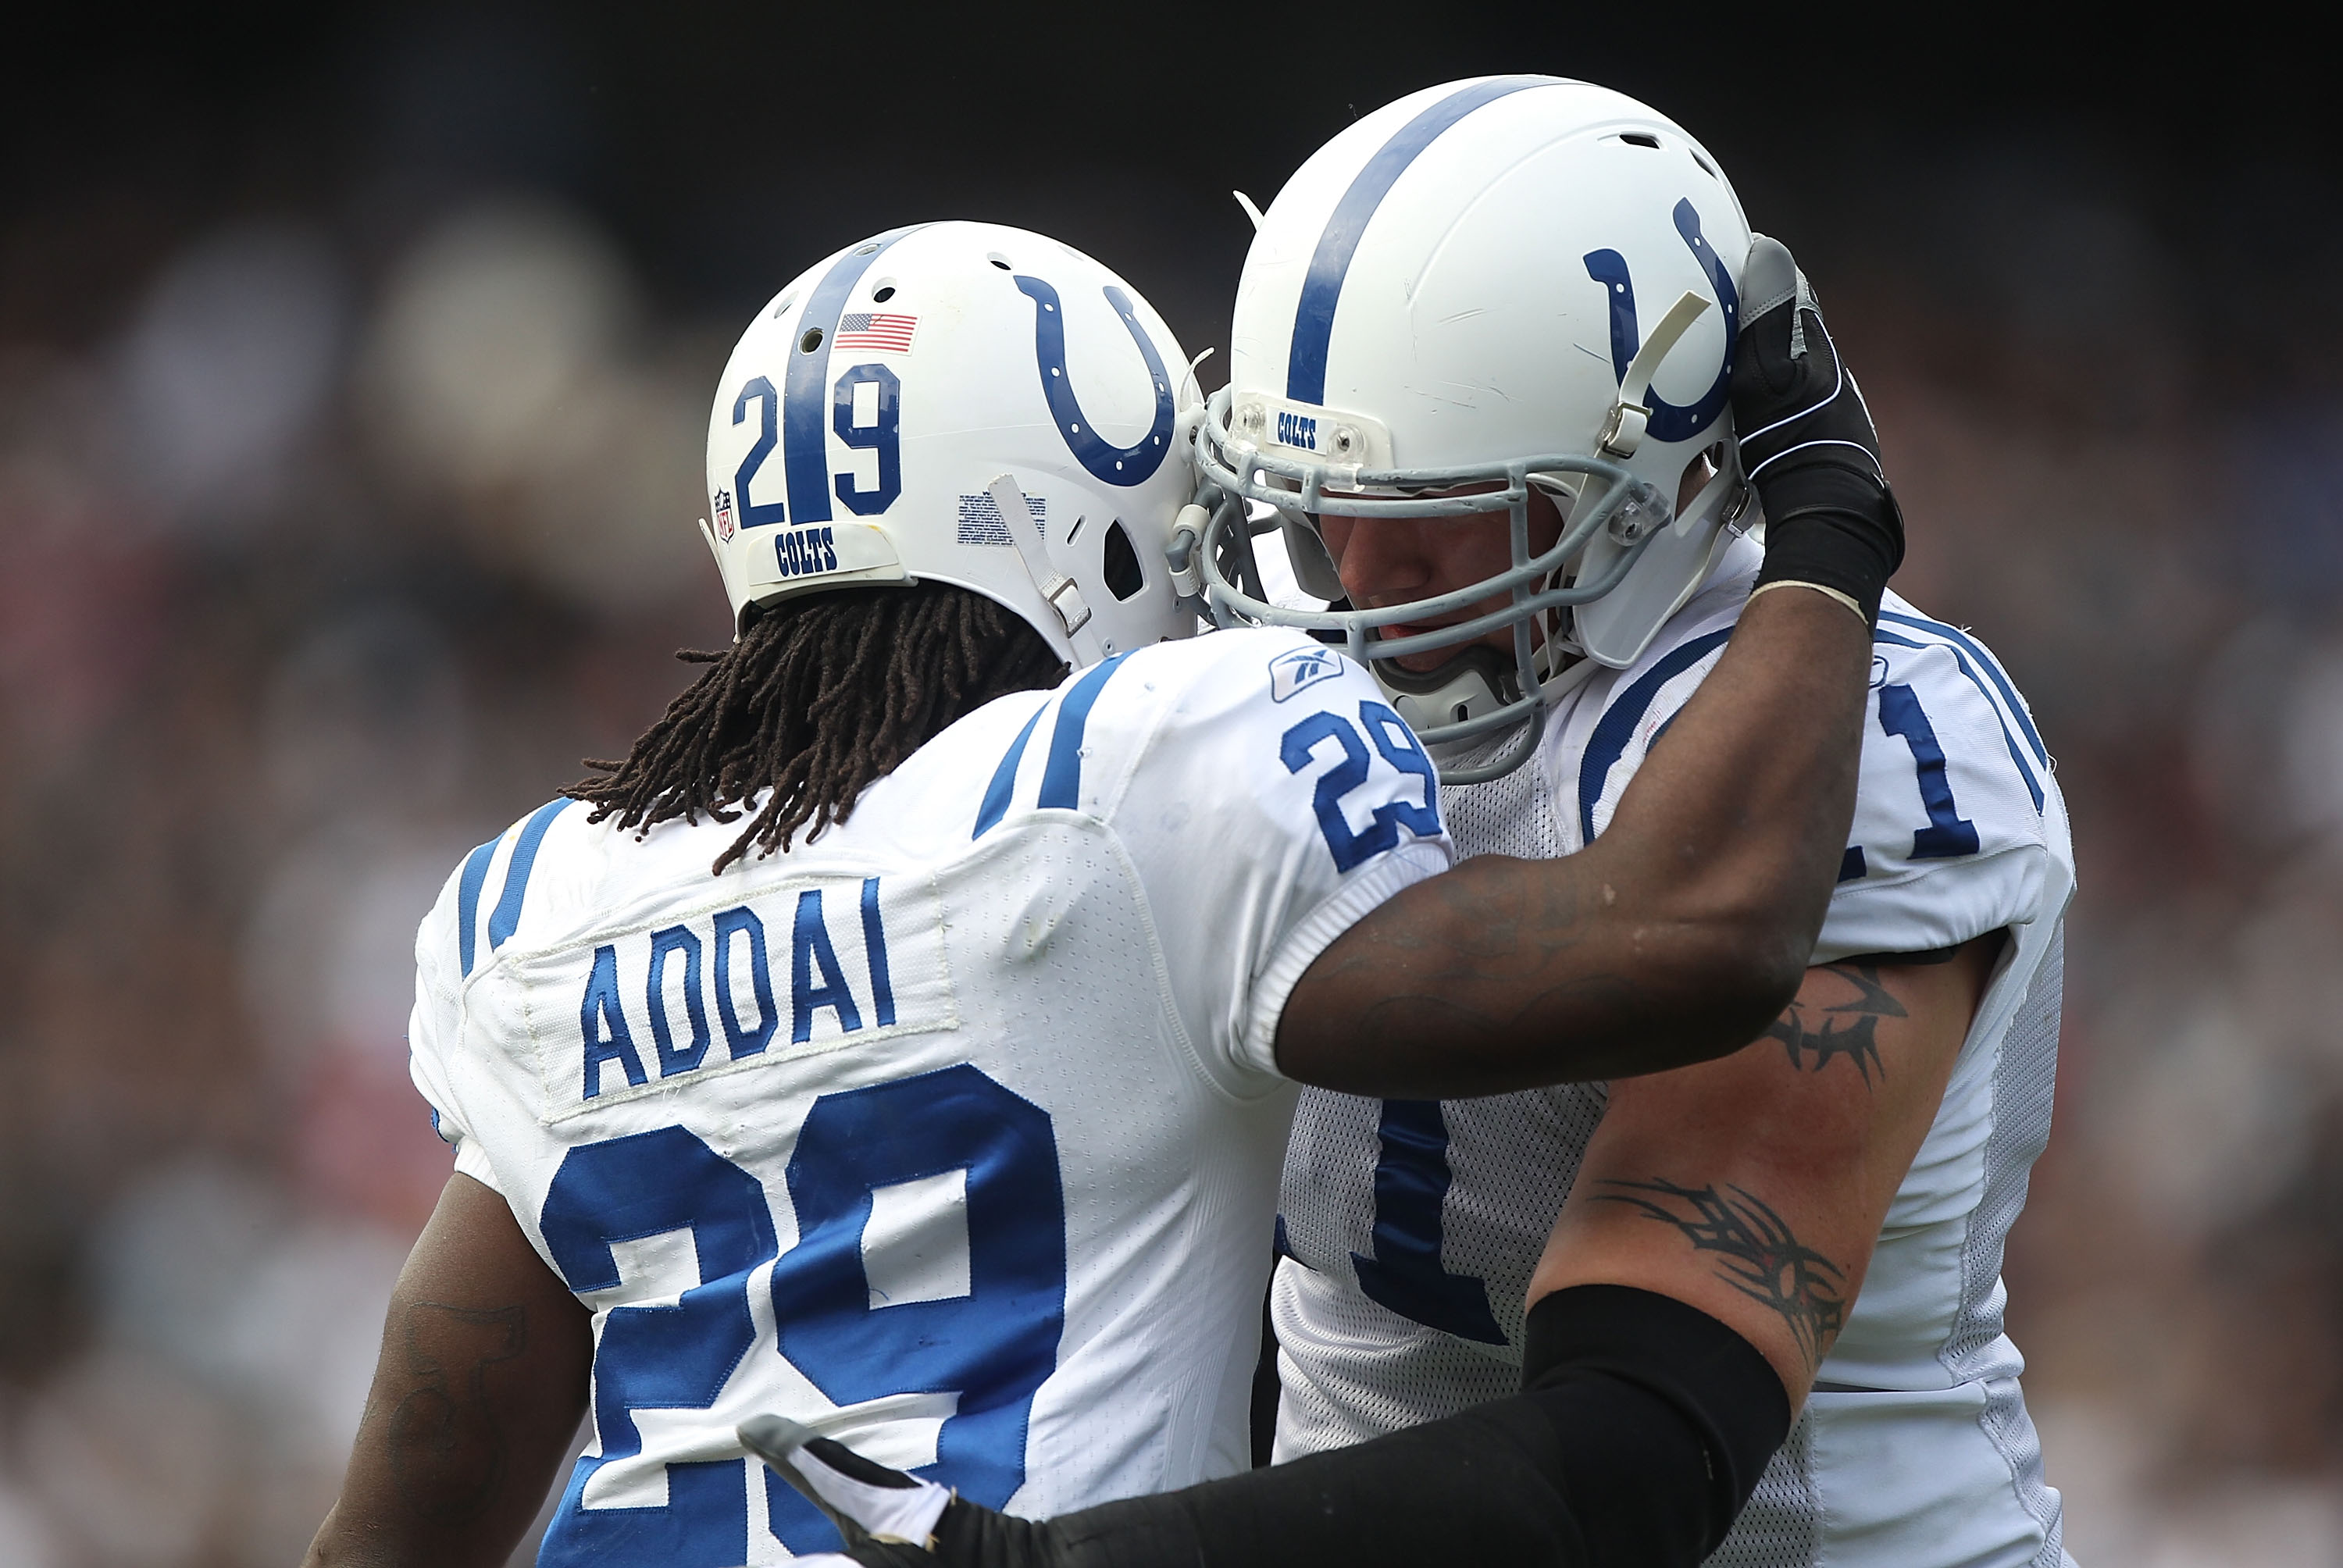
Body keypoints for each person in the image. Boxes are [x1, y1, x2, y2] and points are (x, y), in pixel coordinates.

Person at [302, 207, 1887, 1568]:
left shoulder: (539, 896)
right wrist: (1822, 522)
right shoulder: (1130, 775)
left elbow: (401, 1517)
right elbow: (1700, 928)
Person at [747, 77, 2072, 1568]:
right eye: (1317, 501)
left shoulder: (1867, 739)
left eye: (1443, 505)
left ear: (1658, 468)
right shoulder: (1260, 699)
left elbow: (1637, 1455)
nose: (1363, 577)